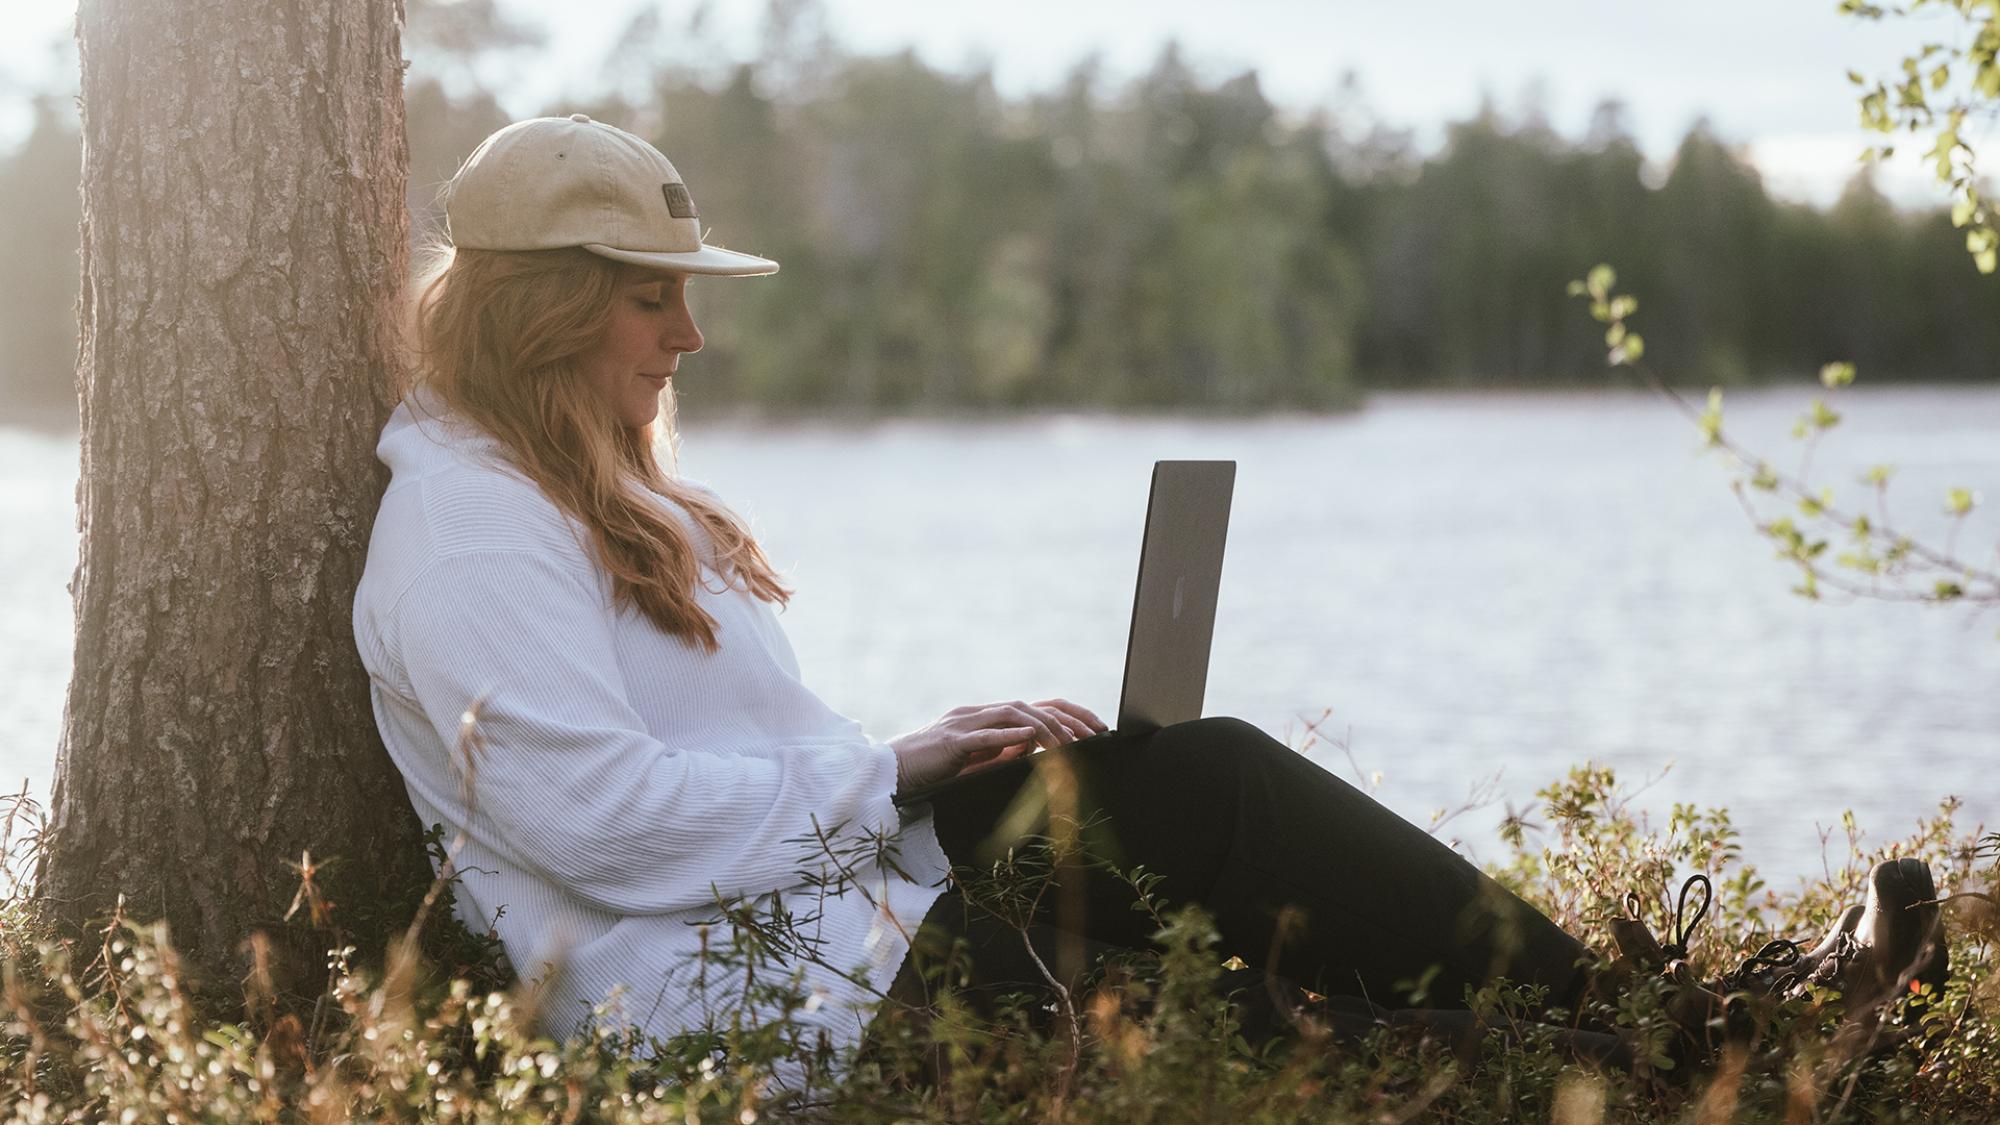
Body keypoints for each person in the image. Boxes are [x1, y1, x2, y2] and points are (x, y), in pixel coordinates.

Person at [351, 115, 1947, 1095]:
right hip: (746, 997)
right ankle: (1735, 1073)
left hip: (839, 883)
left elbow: (716, 746)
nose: (688, 337)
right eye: (653, 295)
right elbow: (599, 822)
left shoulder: (586, 476)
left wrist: (938, 762)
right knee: (1212, 1025)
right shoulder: (471, 536)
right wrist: (893, 766)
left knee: (1211, 781)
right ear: (547, 305)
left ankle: (1667, 1010)